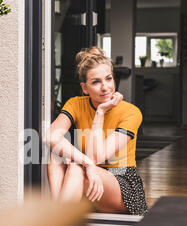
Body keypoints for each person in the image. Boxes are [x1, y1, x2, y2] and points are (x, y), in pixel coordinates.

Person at [44, 47, 148, 215]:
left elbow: (97, 157)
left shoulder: (131, 112)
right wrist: (88, 164)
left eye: (108, 79)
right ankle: (58, 216)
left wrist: (100, 112)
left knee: (76, 167)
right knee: (56, 153)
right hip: (88, 173)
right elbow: (51, 136)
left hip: (121, 182)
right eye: (96, 82)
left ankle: (56, 223)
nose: (105, 87)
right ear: (85, 88)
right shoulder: (75, 104)